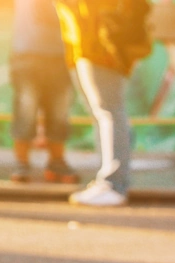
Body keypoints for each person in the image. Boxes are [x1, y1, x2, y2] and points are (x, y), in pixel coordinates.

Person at [53, 0, 152, 207]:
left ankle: (114, 184)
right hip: (85, 43)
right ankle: (109, 181)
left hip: (100, 45)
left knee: (109, 113)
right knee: (105, 114)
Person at [9, 0, 77, 185]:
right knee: (26, 109)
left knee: (59, 112)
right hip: (26, 53)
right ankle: (21, 163)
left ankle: (56, 162)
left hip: (61, 54)